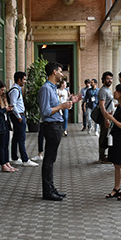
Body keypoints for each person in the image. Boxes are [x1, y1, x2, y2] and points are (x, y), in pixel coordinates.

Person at [38, 61, 82, 201]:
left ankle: (51, 188)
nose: (62, 74)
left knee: (51, 159)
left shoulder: (52, 88)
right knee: (49, 160)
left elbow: (55, 106)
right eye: (60, 71)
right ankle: (48, 191)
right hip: (51, 127)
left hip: (56, 126)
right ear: (54, 72)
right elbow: (45, 111)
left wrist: (70, 101)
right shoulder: (46, 88)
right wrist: (62, 106)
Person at [8, 72, 39, 167]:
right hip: (19, 117)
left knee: (17, 137)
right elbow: (13, 105)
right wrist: (19, 117)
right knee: (21, 138)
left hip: (19, 116)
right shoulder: (15, 90)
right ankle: (25, 160)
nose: (25, 81)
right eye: (24, 79)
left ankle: (14, 157)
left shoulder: (17, 89)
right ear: (19, 79)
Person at [97, 71, 115, 163]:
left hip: (109, 117)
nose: (110, 80)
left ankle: (105, 155)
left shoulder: (107, 90)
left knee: (107, 136)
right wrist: (106, 119)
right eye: (108, 79)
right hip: (106, 118)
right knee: (103, 136)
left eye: (111, 79)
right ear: (103, 80)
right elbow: (102, 106)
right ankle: (102, 156)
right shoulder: (103, 91)